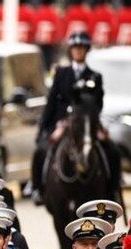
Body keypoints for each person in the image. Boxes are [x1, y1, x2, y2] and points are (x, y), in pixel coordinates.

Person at [32, 30, 104, 203]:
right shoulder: (61, 73)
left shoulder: (95, 76)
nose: (78, 51)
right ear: (71, 50)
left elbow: (98, 104)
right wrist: (45, 128)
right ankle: (37, 188)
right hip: (61, 123)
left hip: (85, 123)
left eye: (82, 48)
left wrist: (97, 126)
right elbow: (52, 101)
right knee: (41, 151)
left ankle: (113, 187)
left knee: (111, 151)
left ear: (86, 50)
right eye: (75, 48)